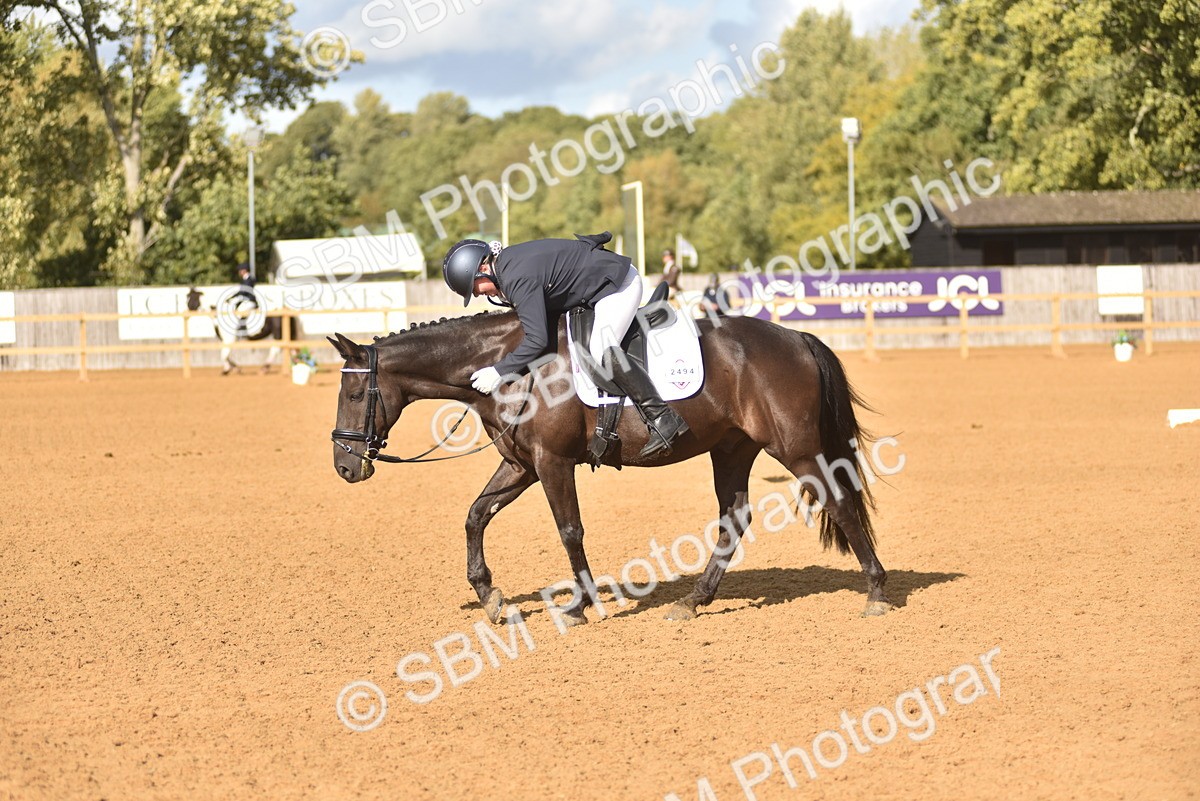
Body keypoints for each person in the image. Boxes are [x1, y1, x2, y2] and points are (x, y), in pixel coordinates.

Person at [442, 234, 689, 458]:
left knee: (602, 348)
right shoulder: (507, 269)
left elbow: (537, 340)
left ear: (484, 267)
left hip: (618, 285)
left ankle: (662, 416)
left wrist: (499, 371)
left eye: (473, 287)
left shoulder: (516, 277)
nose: (476, 294)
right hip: (593, 288)